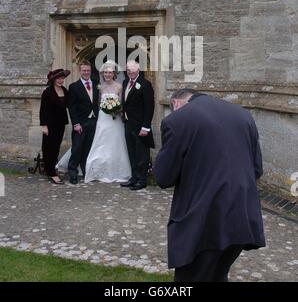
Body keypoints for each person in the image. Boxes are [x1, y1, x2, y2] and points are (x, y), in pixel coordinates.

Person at [154, 89, 266, 282]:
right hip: (242, 216)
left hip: (204, 220)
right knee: (217, 274)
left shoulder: (178, 120)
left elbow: (163, 177)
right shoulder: (242, 114)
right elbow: (256, 169)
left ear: (176, 104)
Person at [84, 60, 131, 183]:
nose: (107, 75)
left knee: (116, 143)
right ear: (102, 74)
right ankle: (97, 169)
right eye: (105, 72)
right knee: (101, 141)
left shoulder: (119, 86)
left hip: (115, 119)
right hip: (103, 118)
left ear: (114, 73)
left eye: (110, 72)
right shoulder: (100, 87)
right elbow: (97, 103)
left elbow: (122, 103)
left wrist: (116, 109)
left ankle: (117, 170)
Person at [121, 60, 155, 190]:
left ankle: (142, 180)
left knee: (142, 154)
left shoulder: (145, 85)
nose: (131, 73)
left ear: (138, 71)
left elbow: (149, 107)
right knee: (132, 152)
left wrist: (146, 127)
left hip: (141, 126)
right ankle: (134, 177)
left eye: (133, 71)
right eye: (128, 70)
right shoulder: (125, 82)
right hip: (128, 124)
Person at [67, 61, 99, 184]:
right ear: (80, 71)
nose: (86, 72)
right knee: (77, 149)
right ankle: (73, 172)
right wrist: (75, 123)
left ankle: (87, 172)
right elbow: (72, 107)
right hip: (80, 123)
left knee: (89, 149)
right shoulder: (74, 86)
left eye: (88, 70)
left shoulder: (96, 83)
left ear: (90, 71)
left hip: (94, 121)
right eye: (84, 70)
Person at [39, 68, 70, 184]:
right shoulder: (47, 92)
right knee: (48, 148)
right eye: (58, 78)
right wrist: (44, 126)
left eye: (62, 78)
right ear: (53, 80)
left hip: (61, 124)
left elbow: (69, 104)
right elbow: (43, 110)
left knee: (56, 147)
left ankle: (49, 168)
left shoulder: (65, 90)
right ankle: (51, 172)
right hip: (50, 124)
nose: (60, 80)